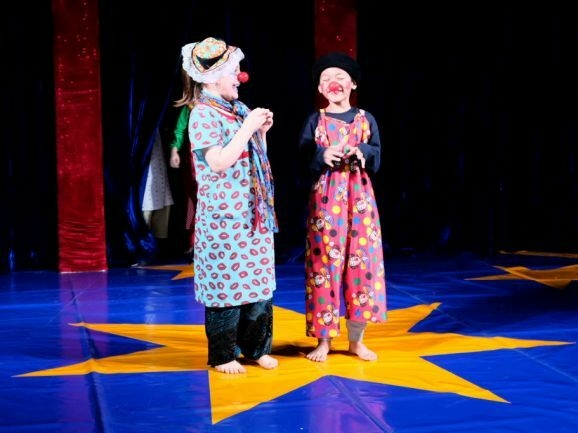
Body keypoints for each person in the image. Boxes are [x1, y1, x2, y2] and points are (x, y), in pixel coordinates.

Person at [178, 36, 279, 374]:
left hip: (252, 212)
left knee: (257, 284)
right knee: (227, 286)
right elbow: (218, 162)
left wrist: (260, 133)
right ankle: (224, 354)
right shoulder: (202, 115)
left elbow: (255, 158)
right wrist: (248, 128)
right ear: (211, 77)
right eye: (234, 71)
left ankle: (256, 348)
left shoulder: (239, 110)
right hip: (225, 217)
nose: (240, 77)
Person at [299, 51, 387, 362]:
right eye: (326, 79)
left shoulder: (366, 119)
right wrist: (321, 155)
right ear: (319, 88)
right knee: (324, 267)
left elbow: (377, 153)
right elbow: (301, 156)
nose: (333, 82)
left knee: (362, 266)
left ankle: (356, 340)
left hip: (360, 200)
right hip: (326, 202)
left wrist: (363, 151)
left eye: (339, 77)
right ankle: (324, 340)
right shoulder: (316, 120)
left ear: (353, 84)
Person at [168, 103, 196, 262]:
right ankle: (195, 243)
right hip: (195, 159)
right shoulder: (191, 106)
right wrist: (174, 151)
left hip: (220, 158)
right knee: (197, 201)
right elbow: (180, 129)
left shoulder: (224, 105)